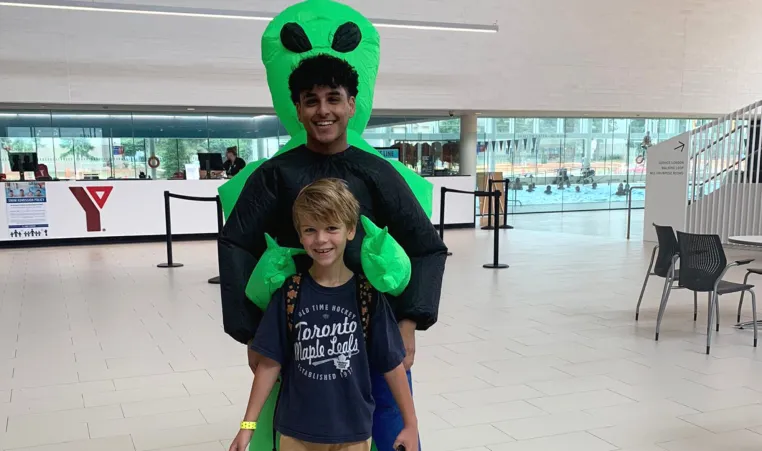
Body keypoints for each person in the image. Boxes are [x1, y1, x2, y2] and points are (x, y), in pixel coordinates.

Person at [218, 54, 447, 450]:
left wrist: (409, 321)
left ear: (351, 104)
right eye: (311, 100)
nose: (323, 110)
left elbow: (426, 246)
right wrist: (253, 334)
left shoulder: (377, 173)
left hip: (375, 327)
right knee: (309, 427)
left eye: (333, 98)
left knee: (393, 430)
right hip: (309, 335)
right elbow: (236, 244)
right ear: (298, 109)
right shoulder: (276, 175)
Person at [229, 179, 418, 451]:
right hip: (296, 433)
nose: (321, 239)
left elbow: (391, 364)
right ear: (300, 234)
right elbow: (269, 364)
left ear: (351, 230)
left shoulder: (367, 296)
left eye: (332, 228)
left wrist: (411, 424)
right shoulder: (289, 294)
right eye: (310, 230)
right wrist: (247, 427)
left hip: (353, 433)